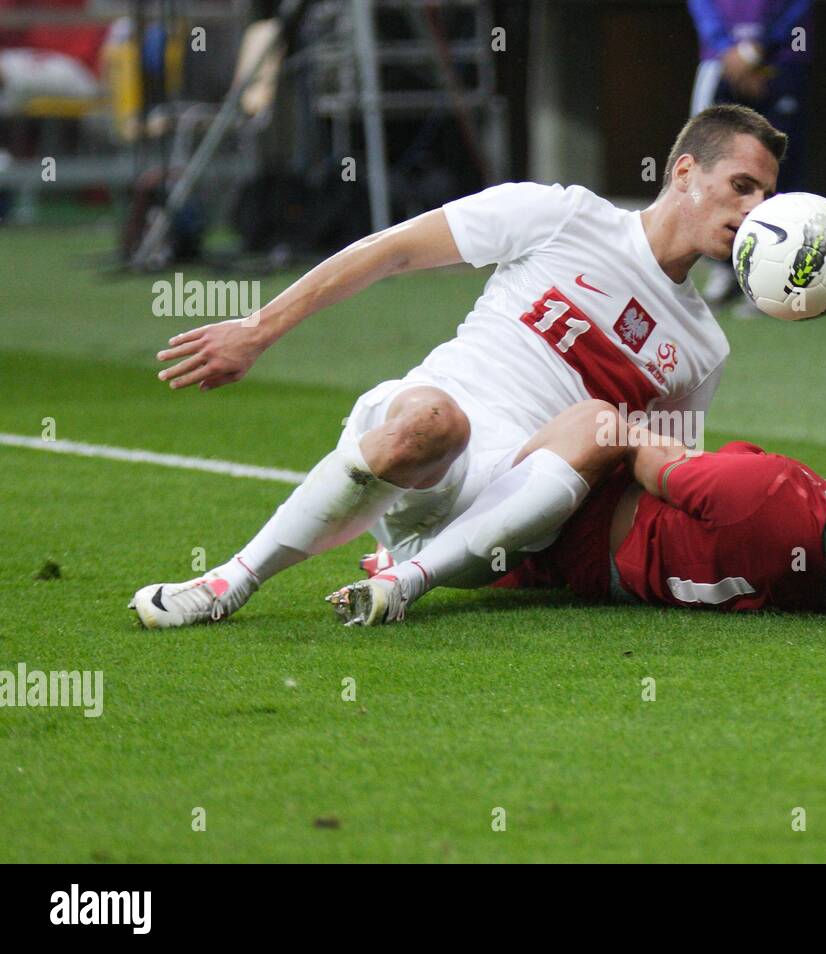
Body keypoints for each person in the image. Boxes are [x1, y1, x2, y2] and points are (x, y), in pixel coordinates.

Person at [130, 105, 786, 628]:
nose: (754, 209)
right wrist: (258, 328)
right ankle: (228, 581)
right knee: (437, 422)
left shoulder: (703, 348)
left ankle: (403, 582)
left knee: (601, 428)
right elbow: (391, 252)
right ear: (683, 173)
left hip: (499, 524)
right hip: (428, 436)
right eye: (741, 186)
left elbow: (655, 477)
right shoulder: (561, 216)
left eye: (765, 195)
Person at [361, 402, 826, 626]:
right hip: (604, 575)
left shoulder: (770, 492)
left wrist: (662, 438)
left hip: (581, 521)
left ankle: (415, 560)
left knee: (600, 416)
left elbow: (643, 456)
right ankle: (416, 551)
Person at [687, 0, 814, 309]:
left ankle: (776, 274)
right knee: (713, 166)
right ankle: (722, 268)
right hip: (721, 62)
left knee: (779, 170)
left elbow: (797, 7)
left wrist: (760, 48)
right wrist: (726, 48)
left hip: (783, 59)